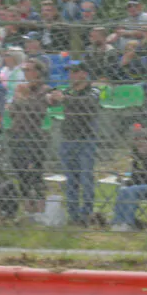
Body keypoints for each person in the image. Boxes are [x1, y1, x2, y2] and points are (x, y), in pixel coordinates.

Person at [50, 63, 99, 226]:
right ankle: (73, 216)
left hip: (86, 141)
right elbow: (52, 103)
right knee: (71, 179)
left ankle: (86, 214)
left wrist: (64, 99)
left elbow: (88, 104)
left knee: (86, 177)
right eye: (69, 72)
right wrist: (51, 98)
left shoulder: (93, 91)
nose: (71, 76)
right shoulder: (68, 91)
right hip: (68, 140)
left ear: (84, 73)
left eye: (75, 72)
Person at [4, 77, 50, 218]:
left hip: (35, 136)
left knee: (35, 172)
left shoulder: (44, 91)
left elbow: (37, 112)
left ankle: (40, 208)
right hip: (18, 135)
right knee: (20, 171)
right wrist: (18, 100)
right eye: (25, 72)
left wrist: (23, 100)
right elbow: (11, 113)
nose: (27, 76)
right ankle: (27, 207)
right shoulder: (19, 93)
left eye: (30, 72)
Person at [110, 127, 147, 231]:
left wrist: (138, 181)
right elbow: (135, 177)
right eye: (139, 145)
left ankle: (128, 223)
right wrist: (126, 181)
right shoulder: (137, 158)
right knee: (123, 189)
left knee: (131, 190)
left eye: (143, 144)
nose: (140, 147)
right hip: (140, 187)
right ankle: (117, 222)